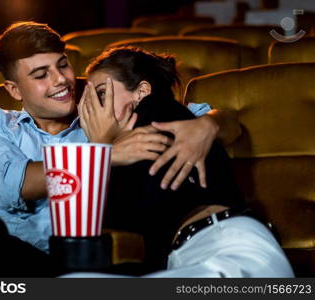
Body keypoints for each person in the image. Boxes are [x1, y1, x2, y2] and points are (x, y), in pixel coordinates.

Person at [0, 21, 239, 276]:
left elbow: (206, 120)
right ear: (13, 89)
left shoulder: (104, 109)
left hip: (73, 258)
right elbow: (8, 186)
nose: (60, 80)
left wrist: (207, 124)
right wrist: (104, 154)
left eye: (62, 65)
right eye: (40, 74)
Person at [70, 46, 294, 277]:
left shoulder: (158, 115)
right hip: (186, 256)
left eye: (101, 94)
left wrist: (102, 147)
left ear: (142, 91)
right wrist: (105, 150)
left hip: (230, 246)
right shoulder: (125, 144)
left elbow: (116, 217)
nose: (91, 110)